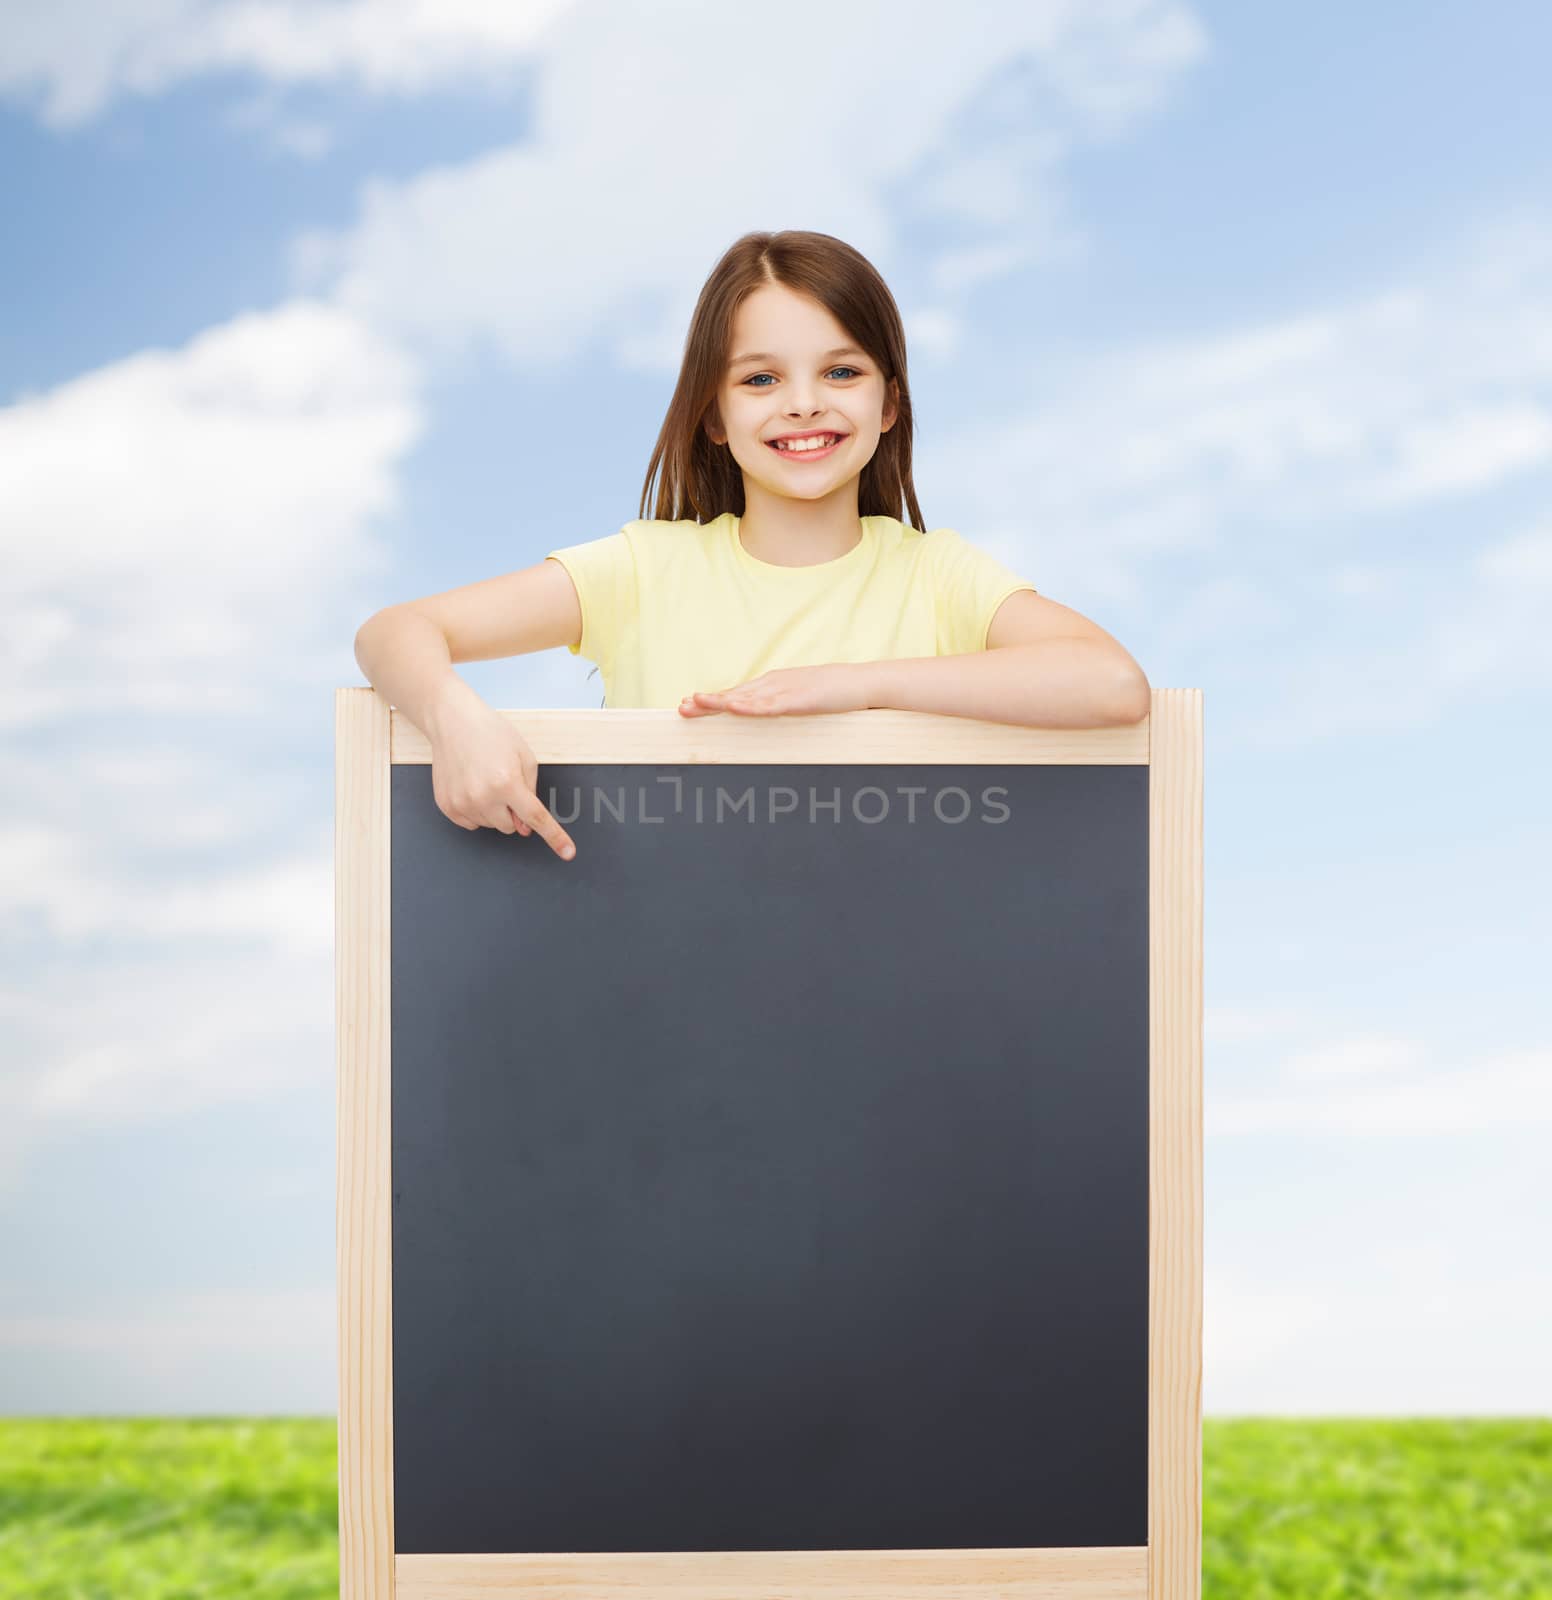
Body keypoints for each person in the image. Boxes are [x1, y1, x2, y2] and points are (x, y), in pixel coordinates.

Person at [354, 229, 1151, 864]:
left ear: (889, 406)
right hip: (667, 991)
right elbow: (394, 631)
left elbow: (1112, 685)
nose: (803, 405)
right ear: (713, 416)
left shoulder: (936, 576)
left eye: (841, 372)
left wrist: (852, 686)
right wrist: (454, 719)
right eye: (760, 380)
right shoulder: (643, 571)